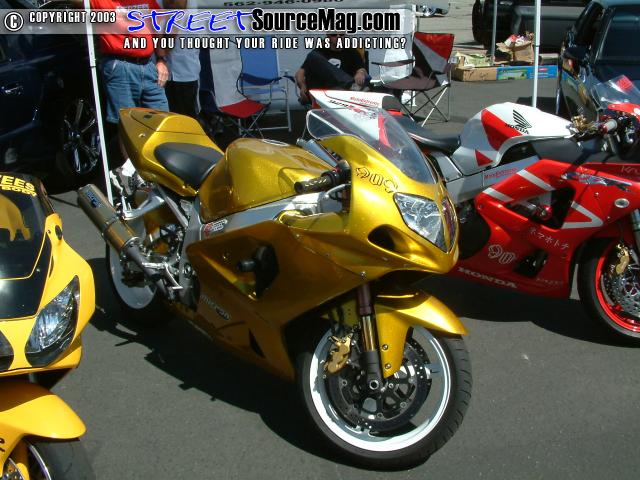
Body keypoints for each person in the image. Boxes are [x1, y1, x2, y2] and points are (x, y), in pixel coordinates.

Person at [90, 0, 170, 165]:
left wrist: (161, 60)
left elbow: (156, 28)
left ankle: (158, 168)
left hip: (148, 64)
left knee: (162, 119)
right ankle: (131, 173)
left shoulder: (147, 1)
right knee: (128, 124)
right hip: (120, 65)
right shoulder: (100, 1)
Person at [295, 33, 368, 105]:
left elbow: (361, 69)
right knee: (312, 57)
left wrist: (360, 73)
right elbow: (300, 73)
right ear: (328, 36)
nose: (338, 37)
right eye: (334, 35)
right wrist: (302, 86)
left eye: (341, 34)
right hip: (322, 91)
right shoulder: (319, 52)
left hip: (342, 93)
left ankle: (348, 85)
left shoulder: (352, 52)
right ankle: (349, 84)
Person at [162, 0, 201, 119]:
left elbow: (176, 18)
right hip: (171, 70)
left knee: (184, 118)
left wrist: (161, 55)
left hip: (183, 71)